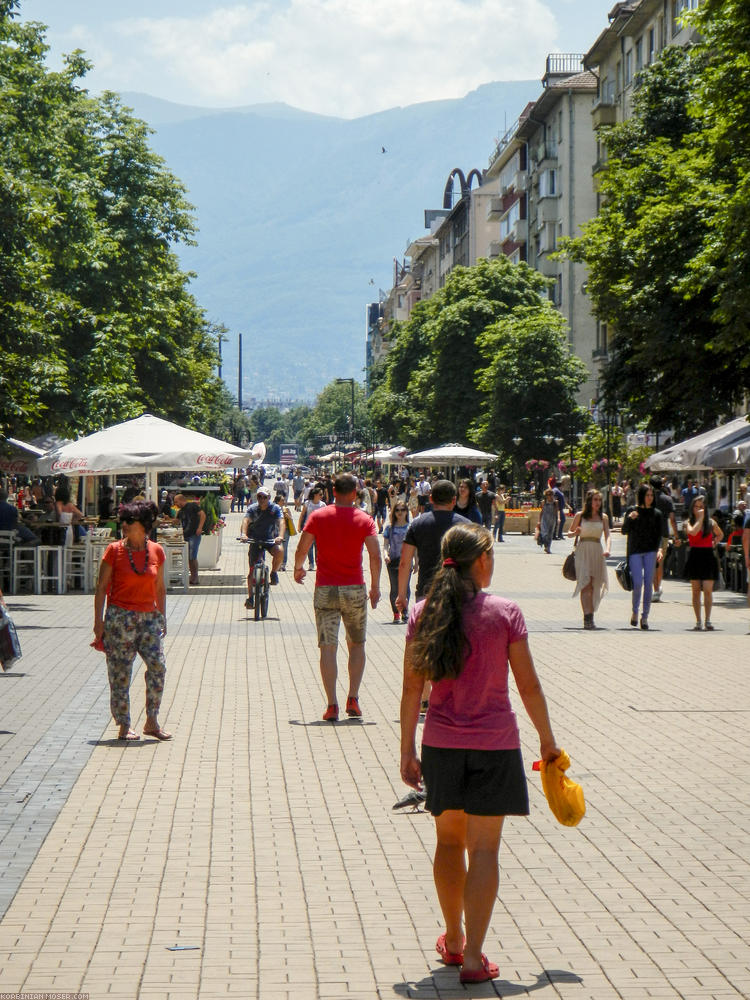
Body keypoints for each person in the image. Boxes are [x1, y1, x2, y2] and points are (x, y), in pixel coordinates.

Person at [399, 523, 559, 984]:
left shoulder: (423, 612)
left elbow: (413, 688)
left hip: (442, 745)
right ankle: (474, 960)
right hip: (495, 745)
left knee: (448, 841)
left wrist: (407, 749)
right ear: (482, 561)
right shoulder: (505, 613)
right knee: (485, 848)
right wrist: (547, 740)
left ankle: (453, 941)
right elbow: (528, 685)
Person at [293, 472, 381, 721]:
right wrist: (375, 587)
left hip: (325, 588)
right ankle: (353, 698)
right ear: (355, 493)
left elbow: (303, 546)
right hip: (354, 587)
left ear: (333, 491)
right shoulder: (365, 519)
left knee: (328, 647)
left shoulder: (319, 516)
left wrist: (299, 567)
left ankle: (331, 704)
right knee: (356, 643)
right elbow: (375, 555)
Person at [93, 501, 171, 742]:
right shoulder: (114, 550)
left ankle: (152, 721)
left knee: (158, 666)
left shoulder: (156, 550)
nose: (124, 525)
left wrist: (162, 615)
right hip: (119, 618)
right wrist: (98, 622)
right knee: (120, 673)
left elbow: (160, 588)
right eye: (123, 521)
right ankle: (124, 724)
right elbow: (101, 587)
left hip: (149, 618)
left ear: (143, 525)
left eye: (129, 521)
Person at [397, 480, 470, 610]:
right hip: (458, 592)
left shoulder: (417, 524)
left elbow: (404, 562)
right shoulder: (466, 525)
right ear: (454, 500)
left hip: (426, 591)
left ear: (431, 499)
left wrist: (401, 595)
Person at [621, 483, 663, 630]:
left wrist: (659, 550)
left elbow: (659, 534)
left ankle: (644, 617)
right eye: (647, 495)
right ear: (642, 496)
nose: (650, 498)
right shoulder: (632, 511)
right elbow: (624, 531)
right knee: (638, 583)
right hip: (635, 551)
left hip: (651, 551)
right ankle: (634, 612)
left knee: (648, 584)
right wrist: (630, 519)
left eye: (652, 495)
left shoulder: (657, 513)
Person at [568, 489, 610, 630]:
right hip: (583, 550)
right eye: (595, 500)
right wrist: (575, 532)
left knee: (594, 584)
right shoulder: (580, 515)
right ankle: (587, 618)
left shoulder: (603, 517)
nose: (597, 503)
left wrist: (608, 549)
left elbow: (608, 535)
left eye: (599, 500)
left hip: (597, 551)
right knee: (585, 583)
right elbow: (568, 533)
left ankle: (590, 616)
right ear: (589, 501)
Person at [241, 487, 284, 607]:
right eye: (259, 496)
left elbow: (281, 522)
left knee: (280, 551)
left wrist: (280, 536)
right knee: (251, 572)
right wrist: (243, 534)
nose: (262, 499)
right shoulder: (252, 508)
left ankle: (274, 572)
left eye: (265, 497)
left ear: (269, 498)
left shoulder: (275, 508)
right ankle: (250, 598)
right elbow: (245, 521)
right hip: (255, 540)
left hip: (270, 540)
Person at [685, 495, 723, 631]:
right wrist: (700, 518)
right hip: (695, 555)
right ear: (692, 508)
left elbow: (720, 534)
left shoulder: (711, 523)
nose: (699, 509)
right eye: (697, 506)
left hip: (707, 556)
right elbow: (693, 532)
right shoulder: (688, 522)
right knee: (695, 591)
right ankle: (698, 620)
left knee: (707, 590)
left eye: (702, 507)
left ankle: (707, 619)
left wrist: (714, 542)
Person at [649, 475, 680, 602]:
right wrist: (677, 536)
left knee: (651, 562)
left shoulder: (648, 498)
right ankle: (657, 588)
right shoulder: (667, 499)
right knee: (660, 562)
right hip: (663, 534)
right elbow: (672, 519)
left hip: (649, 534)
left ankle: (655, 588)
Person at [384, 501, 411, 624]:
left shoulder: (410, 527)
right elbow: (385, 545)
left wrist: (416, 561)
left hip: (407, 560)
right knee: (395, 588)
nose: (400, 512)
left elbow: (414, 546)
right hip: (393, 561)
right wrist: (385, 555)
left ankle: (405, 612)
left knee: (406, 587)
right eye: (397, 510)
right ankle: (396, 613)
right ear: (394, 512)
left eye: (403, 510)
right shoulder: (389, 528)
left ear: (406, 511)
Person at [174, 493, 205, 586]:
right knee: (188, 557)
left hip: (194, 534)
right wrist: (170, 519)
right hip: (186, 535)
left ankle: (195, 577)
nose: (175, 504)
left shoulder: (192, 506)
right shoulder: (180, 511)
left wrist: (200, 527)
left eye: (176, 501)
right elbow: (176, 522)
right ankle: (192, 577)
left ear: (181, 500)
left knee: (192, 557)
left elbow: (203, 515)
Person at [298, 485, 326, 569]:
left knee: (318, 547)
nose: (322, 496)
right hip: (308, 527)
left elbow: (326, 517)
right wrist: (299, 525)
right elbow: (302, 515)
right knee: (309, 547)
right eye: (320, 494)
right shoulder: (307, 503)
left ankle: (318, 564)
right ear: (315, 494)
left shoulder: (323, 505)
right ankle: (311, 564)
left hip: (319, 529)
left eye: (322, 494)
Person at [537, 488, 558, 554]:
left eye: (551, 494)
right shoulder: (544, 502)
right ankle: (546, 546)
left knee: (550, 534)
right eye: (548, 494)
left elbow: (557, 511)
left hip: (552, 519)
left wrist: (558, 519)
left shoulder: (555, 502)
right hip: (544, 519)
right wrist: (539, 521)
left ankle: (548, 548)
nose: (549, 496)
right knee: (544, 533)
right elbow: (542, 511)